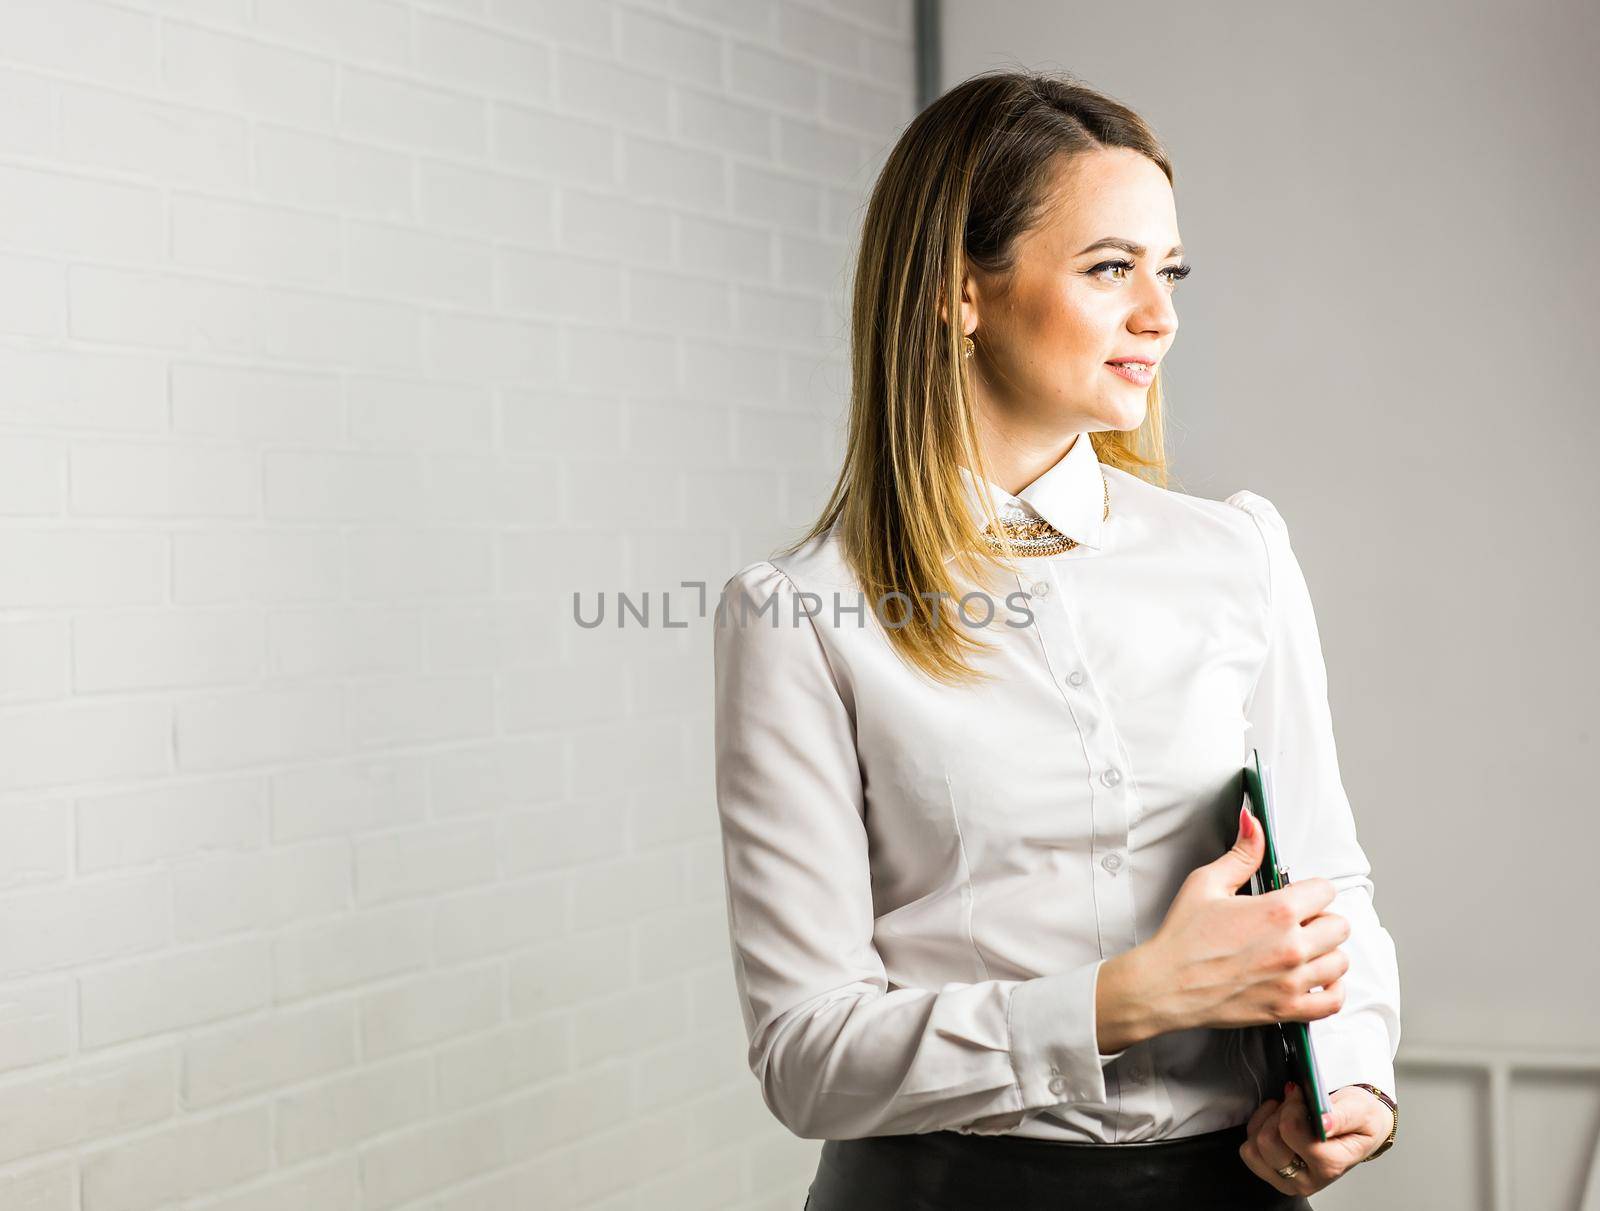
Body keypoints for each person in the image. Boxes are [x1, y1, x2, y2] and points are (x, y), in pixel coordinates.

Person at [710, 69, 1400, 1210]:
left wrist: (1357, 1086)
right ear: (958, 291)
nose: (1159, 314)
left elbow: (1325, 879)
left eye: (1167, 271)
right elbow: (806, 1056)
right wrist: (1124, 997)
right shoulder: (798, 615)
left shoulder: (1238, 554)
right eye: (1108, 268)